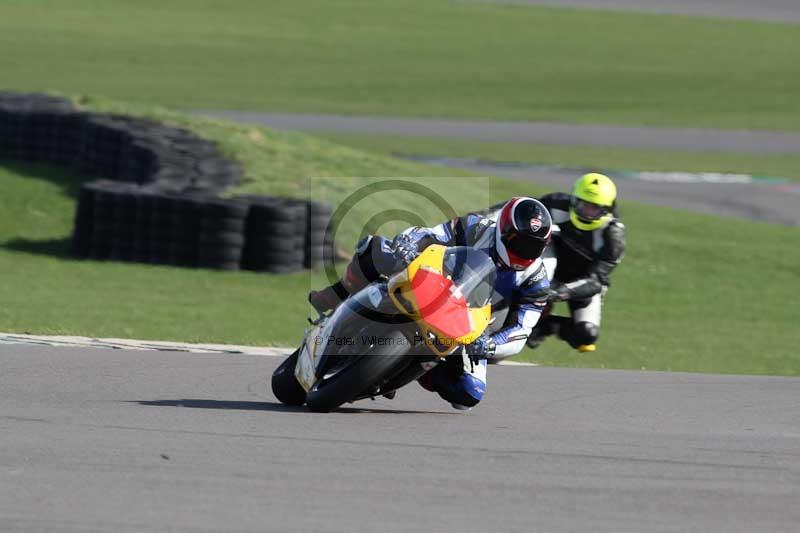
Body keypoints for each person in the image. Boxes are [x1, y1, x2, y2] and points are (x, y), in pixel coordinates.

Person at [308, 197, 553, 409]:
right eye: (519, 242)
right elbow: (431, 234)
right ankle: (337, 295)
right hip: (432, 284)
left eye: (533, 246)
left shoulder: (536, 280)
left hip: (469, 325)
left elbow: (521, 331)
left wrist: (489, 345)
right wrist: (408, 244)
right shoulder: (476, 228)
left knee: (468, 394)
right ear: (503, 229)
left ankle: (415, 371)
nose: (524, 252)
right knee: (376, 249)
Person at [526, 173, 626, 353]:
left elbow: (596, 281)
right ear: (573, 199)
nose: (586, 212)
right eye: (582, 204)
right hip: (548, 265)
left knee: (586, 336)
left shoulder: (613, 237)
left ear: (606, 209)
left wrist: (557, 293)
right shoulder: (554, 204)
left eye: (593, 208)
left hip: (582, 282)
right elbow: (516, 211)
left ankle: (546, 326)